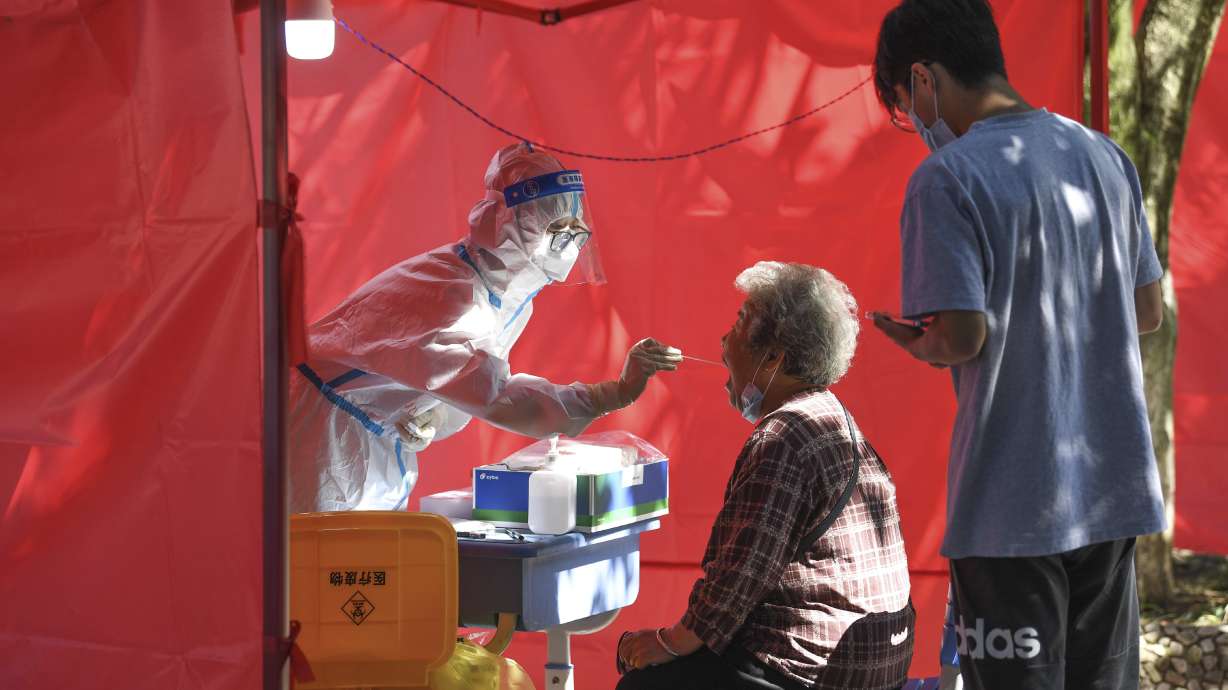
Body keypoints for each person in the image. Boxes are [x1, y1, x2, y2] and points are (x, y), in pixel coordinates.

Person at [870, 2, 1166, 689]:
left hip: (1011, 505)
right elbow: (1146, 311)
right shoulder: (1102, 155)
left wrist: (917, 341)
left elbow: (962, 337)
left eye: (903, 107)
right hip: (1112, 492)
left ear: (922, 79)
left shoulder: (946, 179)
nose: (915, 124)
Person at [288, 142, 682, 513]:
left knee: (356, 571)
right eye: (557, 230)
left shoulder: (498, 293)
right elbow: (496, 394)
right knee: (317, 570)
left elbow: (460, 379)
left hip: (366, 440)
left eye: (576, 231)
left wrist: (432, 416)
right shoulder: (452, 293)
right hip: (323, 439)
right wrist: (609, 394)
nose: (569, 246)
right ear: (506, 222)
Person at [616, 262, 914, 690]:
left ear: (774, 356)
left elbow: (738, 579)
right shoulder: (832, 417)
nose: (723, 339)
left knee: (643, 684)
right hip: (876, 662)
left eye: (739, 323)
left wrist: (666, 642)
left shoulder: (784, 437)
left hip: (816, 672)